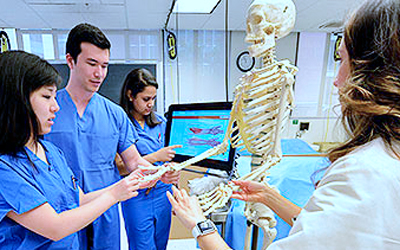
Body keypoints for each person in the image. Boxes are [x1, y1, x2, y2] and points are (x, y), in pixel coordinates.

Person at [167, 0, 400, 249]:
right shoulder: (383, 159)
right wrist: (269, 196)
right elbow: (330, 230)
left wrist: (198, 224)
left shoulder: (363, 174)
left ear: (371, 72)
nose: (336, 81)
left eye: (341, 60)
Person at [44, 23, 179, 250]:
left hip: (105, 212)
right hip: (61, 212)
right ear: (70, 60)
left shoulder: (114, 114)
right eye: (92, 64)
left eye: (105, 65)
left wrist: (160, 173)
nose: (100, 74)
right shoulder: (48, 109)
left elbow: (134, 161)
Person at [0, 50, 146, 249]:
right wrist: (114, 195)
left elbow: (80, 199)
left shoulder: (50, 152)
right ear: (16, 100)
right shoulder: (5, 168)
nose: (56, 107)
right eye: (46, 97)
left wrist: (129, 183)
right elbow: (55, 227)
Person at [117, 68, 182, 250]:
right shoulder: (122, 125)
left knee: (161, 245)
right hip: (137, 197)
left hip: (163, 192)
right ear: (131, 95)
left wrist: (176, 194)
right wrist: (155, 157)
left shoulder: (161, 123)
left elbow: (171, 163)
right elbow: (120, 166)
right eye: (146, 99)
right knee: (142, 246)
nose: (150, 104)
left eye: (153, 98)